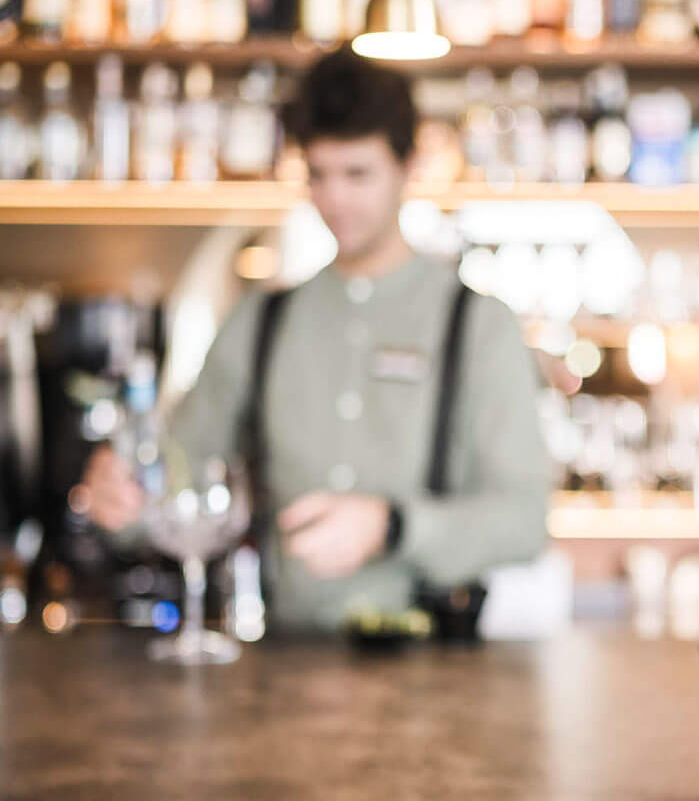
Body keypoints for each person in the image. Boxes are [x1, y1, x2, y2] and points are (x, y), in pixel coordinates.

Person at [80, 48, 552, 634]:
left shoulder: (480, 326)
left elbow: (525, 523)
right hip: (285, 660)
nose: (335, 201)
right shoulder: (262, 319)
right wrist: (121, 501)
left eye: (358, 174)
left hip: (436, 662)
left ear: (408, 167)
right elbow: (179, 473)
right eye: (319, 175)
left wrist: (391, 526)